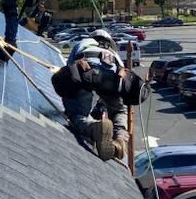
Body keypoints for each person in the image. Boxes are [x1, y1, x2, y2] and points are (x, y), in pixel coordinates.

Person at [51, 30, 143, 162]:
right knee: (118, 111)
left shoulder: (84, 44)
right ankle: (120, 141)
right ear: (110, 42)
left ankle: (95, 128)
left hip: (86, 74)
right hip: (112, 79)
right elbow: (120, 80)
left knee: (78, 115)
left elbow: (69, 70)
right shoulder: (114, 55)